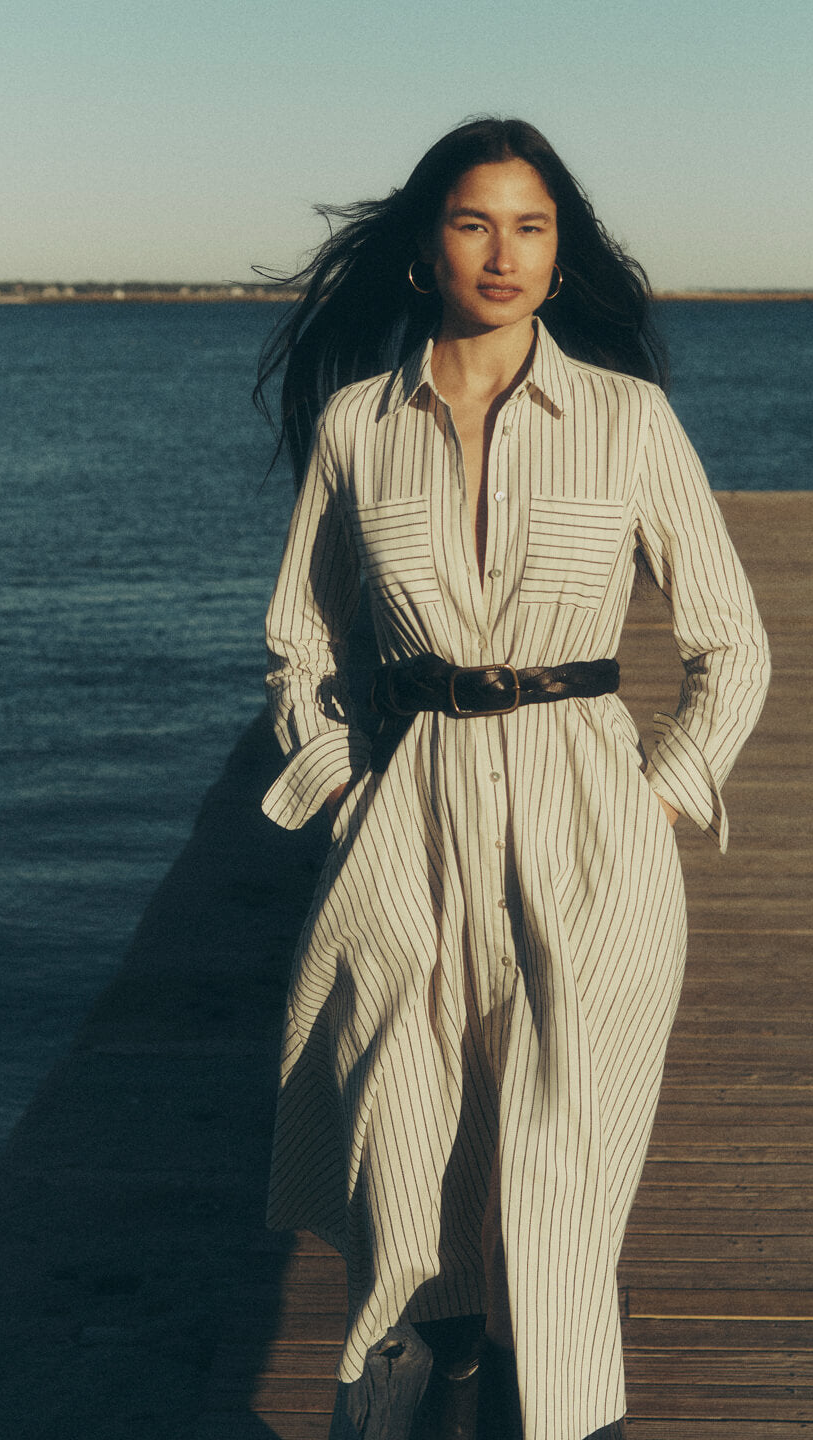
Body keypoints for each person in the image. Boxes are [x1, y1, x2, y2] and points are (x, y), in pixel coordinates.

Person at [254, 117, 770, 1440]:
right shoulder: (359, 425)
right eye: (475, 222)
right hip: (407, 829)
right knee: (407, 1176)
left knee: (557, 1184)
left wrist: (655, 802)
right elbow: (298, 643)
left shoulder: (626, 418)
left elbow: (731, 643)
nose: (504, 252)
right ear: (428, 246)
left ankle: (562, 1407)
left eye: (532, 225)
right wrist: (342, 785)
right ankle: (440, 1377)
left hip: (592, 830)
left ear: (561, 248)